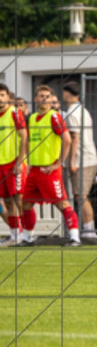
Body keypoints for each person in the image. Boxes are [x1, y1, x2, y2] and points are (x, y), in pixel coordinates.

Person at [22, 85, 79, 246]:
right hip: (34, 170)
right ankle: (28, 237)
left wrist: (58, 163)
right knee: (26, 204)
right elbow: (28, 141)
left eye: (47, 96)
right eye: (41, 96)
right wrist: (27, 162)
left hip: (49, 170)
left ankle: (75, 237)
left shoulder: (54, 117)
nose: (44, 99)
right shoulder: (32, 118)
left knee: (62, 203)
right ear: (35, 99)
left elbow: (67, 139)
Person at [62, 81, 97, 241]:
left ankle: (89, 230)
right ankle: (88, 229)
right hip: (88, 158)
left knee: (81, 196)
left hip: (83, 159)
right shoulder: (82, 110)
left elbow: (74, 138)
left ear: (68, 94)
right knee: (81, 195)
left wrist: (71, 162)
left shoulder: (72, 112)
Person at [0, 84, 28, 246]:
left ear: (8, 98)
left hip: (14, 163)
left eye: (2, 95)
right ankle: (14, 235)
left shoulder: (14, 113)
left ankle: (26, 234)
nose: (0, 99)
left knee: (19, 199)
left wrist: (20, 161)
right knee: (8, 201)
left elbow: (24, 136)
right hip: (1, 164)